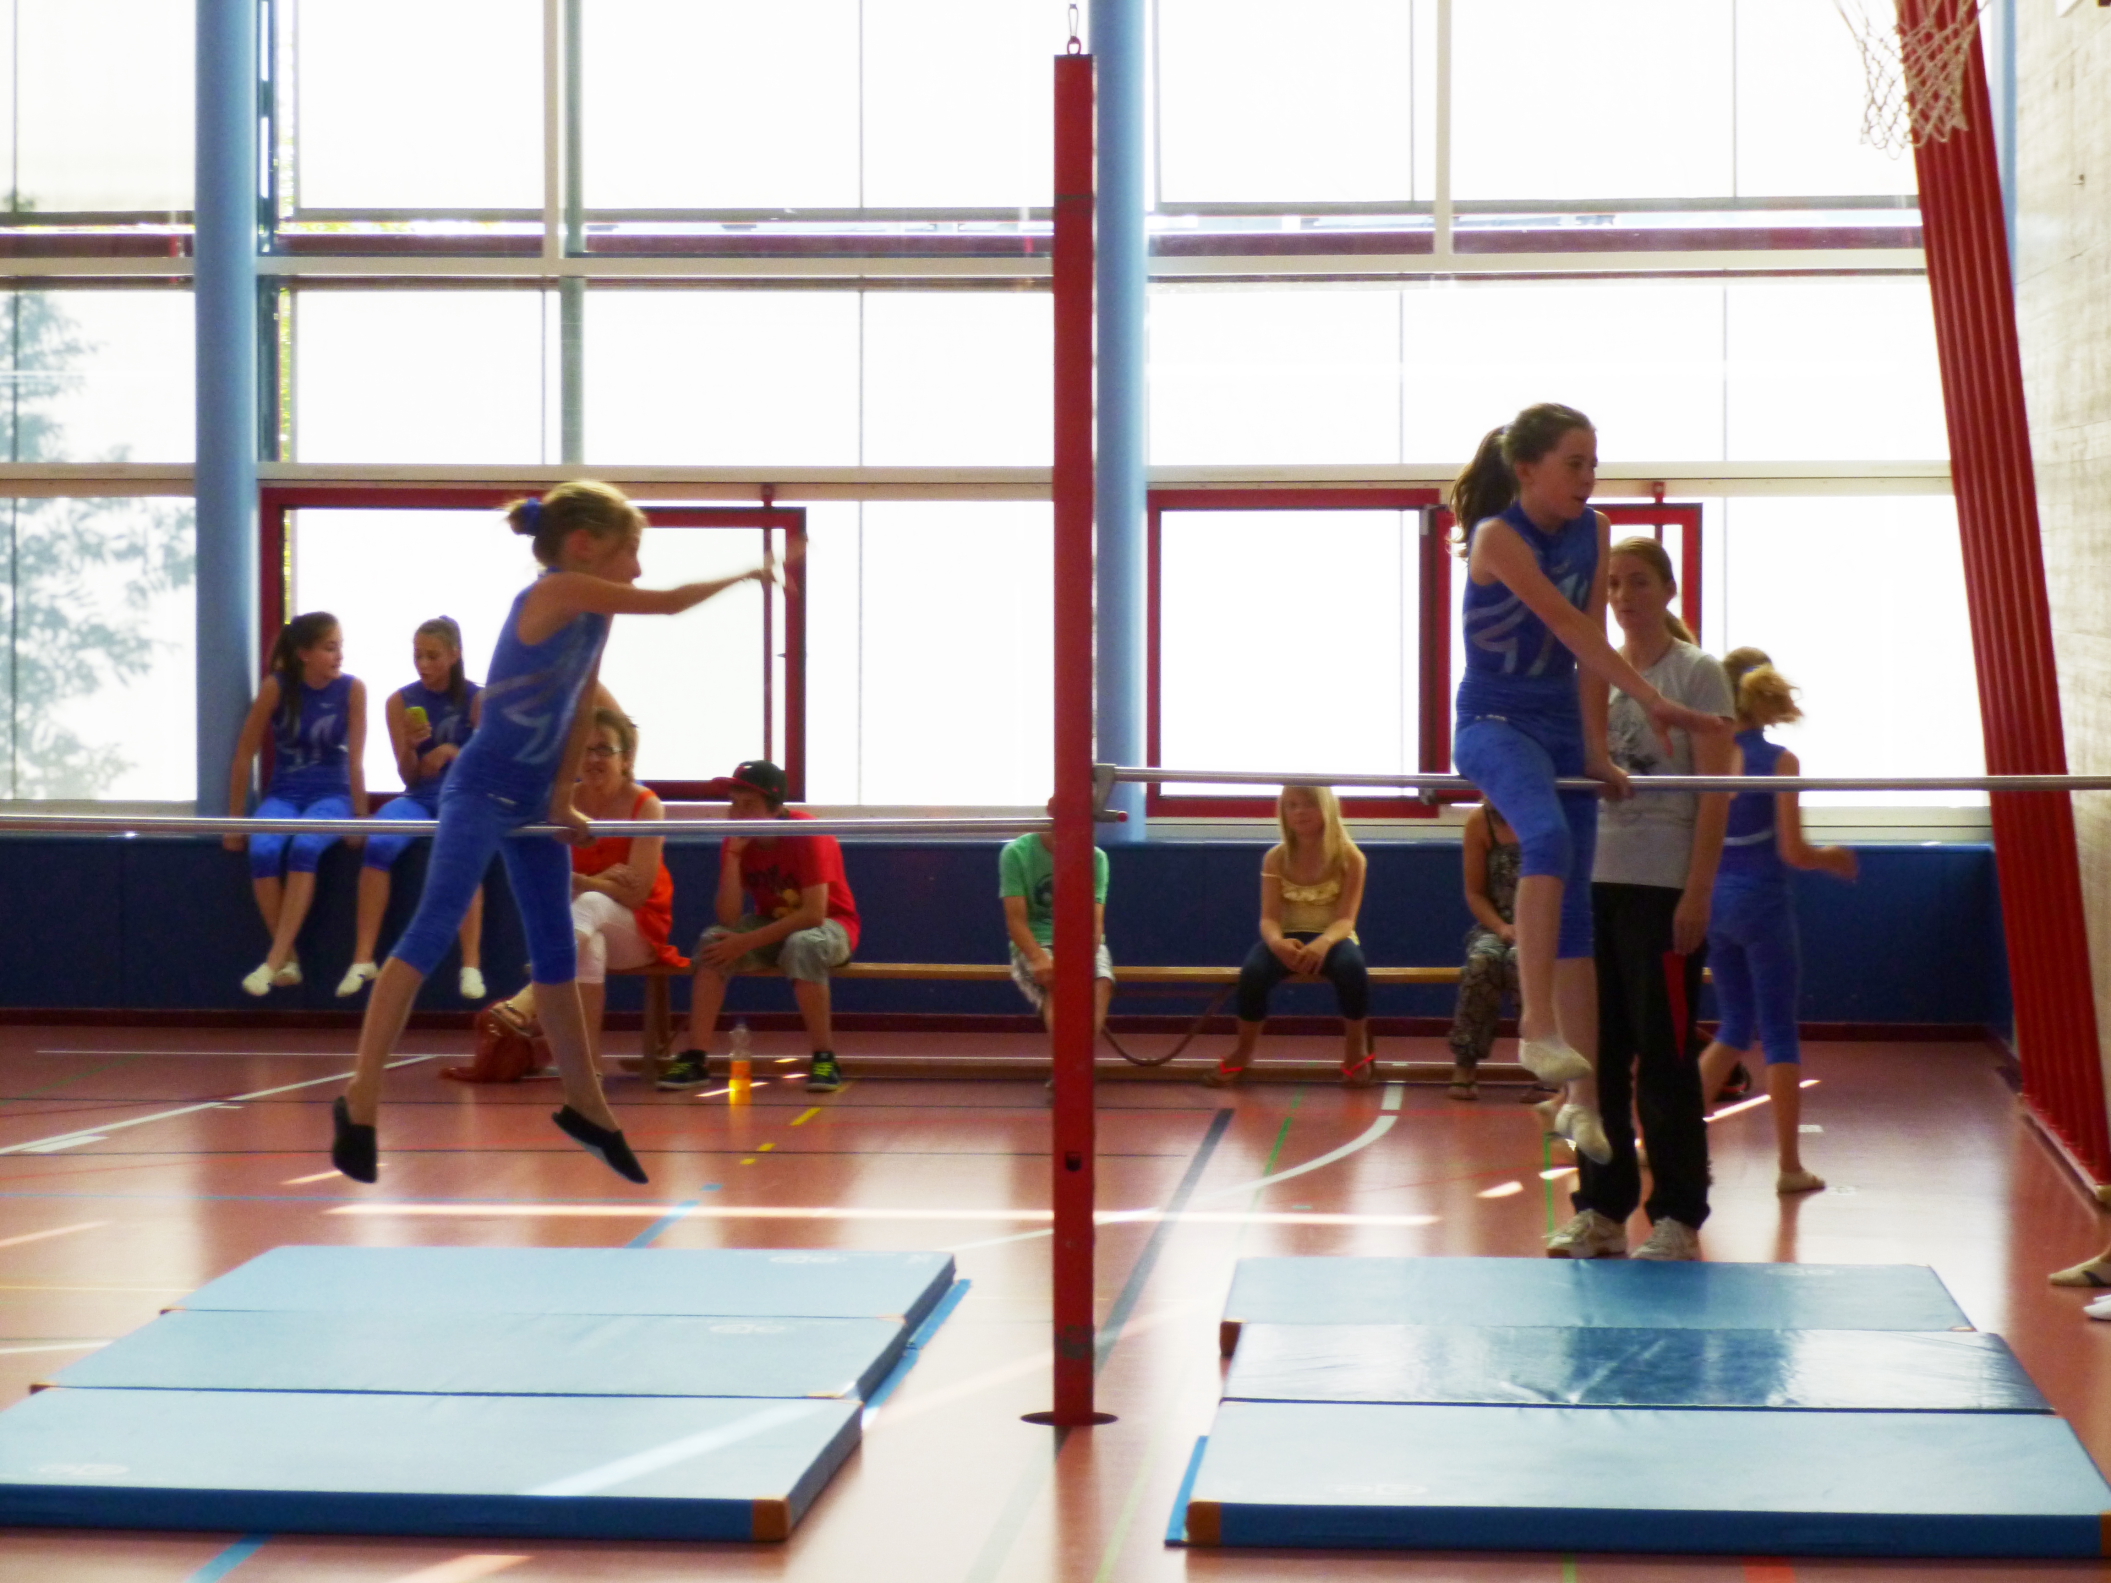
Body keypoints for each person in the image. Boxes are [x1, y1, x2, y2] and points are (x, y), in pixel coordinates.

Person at [330, 480, 778, 1184]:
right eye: (630, 551)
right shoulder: (558, 591)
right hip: (481, 787)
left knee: (556, 950)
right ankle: (359, 1099)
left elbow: (579, 703)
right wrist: (750, 573)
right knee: (431, 929)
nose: (636, 567)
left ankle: (585, 1104)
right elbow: (667, 602)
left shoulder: (595, 615)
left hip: (535, 797)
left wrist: (564, 795)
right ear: (584, 546)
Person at [1449, 404, 1727, 1165]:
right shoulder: (1498, 537)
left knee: (1573, 910)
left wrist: (1598, 750)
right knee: (1544, 839)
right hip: (1494, 720)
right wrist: (1651, 698)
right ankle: (1534, 1026)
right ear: (1527, 469)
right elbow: (1570, 629)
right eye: (1573, 463)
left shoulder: (1594, 529)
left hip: (1561, 727)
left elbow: (1587, 648)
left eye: (1593, 463)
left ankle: (1582, 1103)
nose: (1588, 477)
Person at [1547, 538, 1735, 1262]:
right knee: (1594, 1057)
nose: (1624, 596)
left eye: (1638, 582)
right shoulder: (1593, 671)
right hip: (1592, 886)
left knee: (1663, 1058)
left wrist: (1697, 891)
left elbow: (1714, 794)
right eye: (1613, 584)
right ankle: (1600, 1208)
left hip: (1662, 891)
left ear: (1668, 589)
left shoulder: (1697, 674)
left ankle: (1677, 1215)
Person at [1695, 648, 1858, 1195]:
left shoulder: (1708, 756)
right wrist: (1832, 857)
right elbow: (1792, 850)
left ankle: (1662, 1144)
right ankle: (1788, 1165)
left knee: (1734, 1027)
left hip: (1714, 904)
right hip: (1762, 905)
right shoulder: (1780, 762)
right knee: (1779, 1033)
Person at [487, 706, 688, 1067]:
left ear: (626, 759)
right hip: (582, 928)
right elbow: (551, 883)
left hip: (640, 931)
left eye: (604, 750)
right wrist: (600, 880)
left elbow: (636, 894)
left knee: (592, 904)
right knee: (589, 946)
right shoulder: (563, 805)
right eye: (585, 749)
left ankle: (530, 996)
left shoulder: (646, 806)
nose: (593, 759)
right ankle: (588, 1067)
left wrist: (583, 883)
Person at [659, 760, 860, 1096]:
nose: (738, 814)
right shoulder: (738, 840)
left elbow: (813, 914)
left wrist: (745, 942)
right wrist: (734, 857)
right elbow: (728, 918)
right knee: (712, 941)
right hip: (773, 924)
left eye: (748, 805)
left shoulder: (807, 833)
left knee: (804, 944)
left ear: (775, 809)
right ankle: (695, 1058)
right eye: (734, 804)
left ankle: (825, 1058)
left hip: (831, 925)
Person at [338, 617, 486, 1001]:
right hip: (420, 797)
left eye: (432, 656)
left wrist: (451, 751)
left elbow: (492, 766)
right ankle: (363, 957)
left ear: (454, 655)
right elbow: (409, 776)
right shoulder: (400, 701)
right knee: (379, 841)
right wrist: (410, 747)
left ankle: (471, 964)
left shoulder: (478, 700)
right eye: (418, 655)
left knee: (465, 852)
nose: (423, 664)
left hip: (463, 797)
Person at [226, 612, 367, 997]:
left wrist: (360, 817)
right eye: (330, 648)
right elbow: (244, 755)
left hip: (332, 795)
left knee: (305, 846)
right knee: (263, 849)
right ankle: (289, 959)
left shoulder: (352, 690)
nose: (339, 656)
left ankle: (272, 961)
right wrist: (235, 821)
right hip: (284, 793)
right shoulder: (276, 688)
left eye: (340, 647)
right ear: (305, 653)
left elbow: (355, 762)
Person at [1208, 785, 1371, 1087]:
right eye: (1292, 806)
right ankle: (1243, 1051)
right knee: (1253, 973)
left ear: (1327, 808)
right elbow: (1269, 918)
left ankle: (1355, 1051)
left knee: (1352, 969)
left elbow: (1345, 920)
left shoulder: (1351, 858)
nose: (1299, 812)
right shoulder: (1276, 857)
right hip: (1286, 939)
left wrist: (1323, 943)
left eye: (1308, 804)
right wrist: (1276, 943)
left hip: (1333, 939)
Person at [999, 814, 1114, 1049]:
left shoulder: (1096, 858)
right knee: (1059, 983)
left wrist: (1082, 960)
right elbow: (1016, 921)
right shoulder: (1017, 853)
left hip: (1081, 940)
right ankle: (1068, 1062)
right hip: (1036, 940)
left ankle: (1079, 1059)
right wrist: (1037, 958)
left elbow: (1095, 922)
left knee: (1102, 981)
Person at [1447, 802, 1522, 1101]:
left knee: (1522, 962)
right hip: (1495, 924)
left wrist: (1531, 929)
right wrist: (1502, 927)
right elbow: (1475, 892)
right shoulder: (1480, 820)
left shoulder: (1550, 812)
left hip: (1544, 926)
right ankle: (1465, 1063)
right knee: (1482, 960)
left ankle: (1548, 1069)